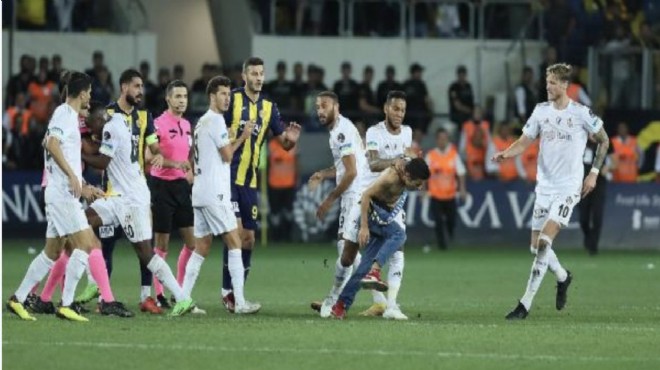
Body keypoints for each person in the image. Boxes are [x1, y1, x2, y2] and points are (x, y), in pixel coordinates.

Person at [6, 72, 129, 322]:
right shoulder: (65, 113)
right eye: (90, 92)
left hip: (62, 191)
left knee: (52, 252)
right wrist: (74, 178)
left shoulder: (68, 116)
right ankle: (67, 304)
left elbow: (55, 148)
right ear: (82, 93)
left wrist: (83, 185)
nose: (91, 97)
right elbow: (50, 144)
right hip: (62, 194)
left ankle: (17, 298)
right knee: (87, 245)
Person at [491, 63, 610, 320]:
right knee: (535, 247)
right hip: (544, 186)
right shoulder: (540, 111)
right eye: (547, 81)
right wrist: (506, 153)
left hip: (568, 188)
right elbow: (524, 141)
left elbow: (604, 140)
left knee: (545, 241)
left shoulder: (580, 113)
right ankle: (563, 276)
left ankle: (524, 305)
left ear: (565, 85)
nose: (548, 86)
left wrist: (593, 173)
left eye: (554, 82)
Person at [81, 104, 195, 317]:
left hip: (132, 199)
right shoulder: (118, 124)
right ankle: (92, 281)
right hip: (117, 197)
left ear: (100, 118)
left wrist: (81, 155)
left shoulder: (110, 128)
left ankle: (182, 297)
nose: (91, 130)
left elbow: (103, 161)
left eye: (91, 125)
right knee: (81, 222)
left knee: (145, 253)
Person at [75, 69, 165, 315]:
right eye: (136, 86)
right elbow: (92, 138)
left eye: (142, 87)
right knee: (105, 244)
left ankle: (146, 296)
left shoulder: (145, 116)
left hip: (136, 192)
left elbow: (153, 147)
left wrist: (156, 155)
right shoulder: (107, 113)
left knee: (144, 245)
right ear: (124, 87)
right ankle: (102, 295)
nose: (140, 91)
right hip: (111, 191)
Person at [220, 57, 301, 312]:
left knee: (249, 239)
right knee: (234, 234)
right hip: (228, 177)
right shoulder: (231, 99)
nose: (258, 77)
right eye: (253, 73)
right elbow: (214, 129)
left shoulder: (269, 108)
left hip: (250, 180)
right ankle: (228, 293)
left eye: (261, 73)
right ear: (244, 76)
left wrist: (291, 139)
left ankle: (237, 291)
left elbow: (284, 143)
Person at [181, 75, 261, 314]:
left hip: (200, 192)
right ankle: (240, 302)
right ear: (212, 96)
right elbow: (227, 156)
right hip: (215, 193)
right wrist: (243, 137)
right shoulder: (215, 121)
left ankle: (183, 299)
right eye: (223, 94)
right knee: (235, 241)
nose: (228, 98)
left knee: (202, 246)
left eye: (229, 94)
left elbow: (208, 153)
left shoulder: (201, 122)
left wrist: (231, 138)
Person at [330, 158, 430, 319]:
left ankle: (340, 305)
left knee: (363, 269)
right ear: (407, 176)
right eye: (418, 183)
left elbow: (407, 156)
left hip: (381, 217)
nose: (420, 187)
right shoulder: (391, 177)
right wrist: (364, 226)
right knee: (399, 234)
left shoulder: (405, 169)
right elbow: (366, 195)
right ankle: (375, 272)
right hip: (370, 211)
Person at [308, 91, 369, 318]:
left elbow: (351, 172)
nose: (320, 111)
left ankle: (334, 300)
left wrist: (328, 200)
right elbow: (345, 167)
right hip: (358, 191)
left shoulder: (341, 132)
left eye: (324, 106)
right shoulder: (340, 129)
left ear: (336, 106)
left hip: (354, 194)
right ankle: (380, 297)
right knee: (348, 251)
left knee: (345, 251)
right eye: (317, 107)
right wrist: (323, 175)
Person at [357, 90, 415, 319]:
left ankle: (391, 305)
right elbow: (372, 163)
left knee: (398, 248)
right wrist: (397, 162)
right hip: (372, 199)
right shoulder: (374, 132)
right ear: (385, 109)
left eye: (402, 110)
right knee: (356, 250)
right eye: (395, 109)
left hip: (393, 200)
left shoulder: (407, 133)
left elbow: (406, 163)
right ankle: (379, 301)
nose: (399, 113)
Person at [149, 80, 197, 309]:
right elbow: (152, 159)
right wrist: (176, 164)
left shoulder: (187, 125)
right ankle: (158, 294)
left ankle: (178, 290)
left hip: (181, 187)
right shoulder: (157, 124)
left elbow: (188, 156)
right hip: (161, 186)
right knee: (163, 243)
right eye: (177, 96)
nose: (182, 101)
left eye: (185, 96)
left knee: (191, 243)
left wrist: (190, 170)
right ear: (168, 99)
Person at [425, 128, 467, 250]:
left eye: (445, 138)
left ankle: (450, 237)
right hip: (435, 195)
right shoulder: (431, 155)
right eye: (440, 138)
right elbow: (424, 175)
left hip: (450, 195)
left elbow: (461, 173)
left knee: (451, 220)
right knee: (438, 220)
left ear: (448, 140)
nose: (442, 141)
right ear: (437, 140)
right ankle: (442, 245)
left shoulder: (453, 155)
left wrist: (462, 189)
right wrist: (423, 191)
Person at [580, 134, 613, 256]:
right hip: (582, 183)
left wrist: (608, 167)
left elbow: (614, 161)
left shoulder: (605, 141)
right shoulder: (580, 141)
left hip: (599, 184)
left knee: (597, 216)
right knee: (583, 218)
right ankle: (588, 237)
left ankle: (593, 247)